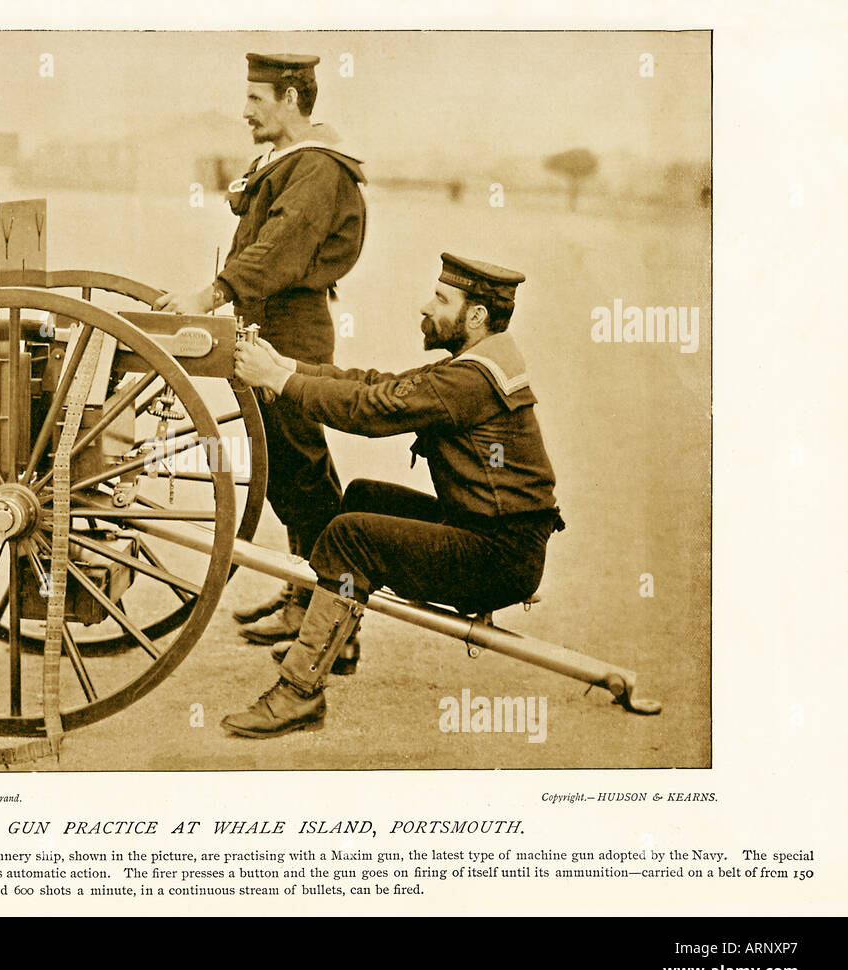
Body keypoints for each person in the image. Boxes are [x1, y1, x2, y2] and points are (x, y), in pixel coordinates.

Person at [221, 253, 564, 738]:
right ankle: (337, 643)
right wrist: (289, 365)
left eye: (442, 300)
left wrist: (280, 383)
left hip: (498, 559)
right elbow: (379, 384)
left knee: (350, 535)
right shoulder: (477, 365)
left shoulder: (468, 380)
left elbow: (371, 409)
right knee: (362, 497)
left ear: (476, 316)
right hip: (491, 535)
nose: (426, 308)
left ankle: (299, 693)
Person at [155, 52, 367, 646]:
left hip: (291, 330)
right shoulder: (288, 162)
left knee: (299, 470)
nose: (245, 111)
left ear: (291, 99)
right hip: (268, 323)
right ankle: (308, 588)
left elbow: (280, 245)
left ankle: (332, 623)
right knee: (286, 468)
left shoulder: (318, 168)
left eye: (256, 99)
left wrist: (212, 292)